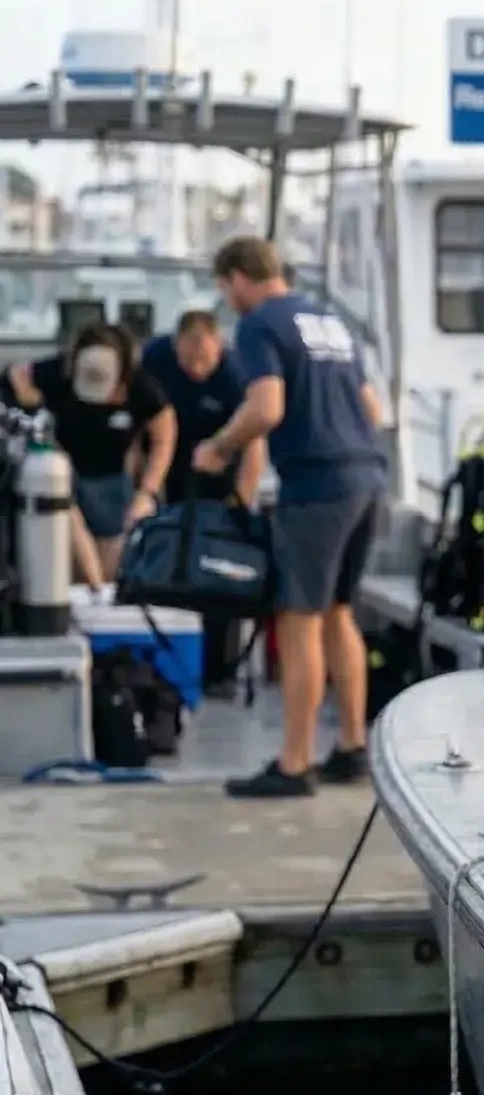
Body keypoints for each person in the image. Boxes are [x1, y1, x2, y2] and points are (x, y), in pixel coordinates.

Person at [195, 236, 388, 798]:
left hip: (318, 485)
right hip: (367, 477)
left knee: (297, 618)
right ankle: (352, 747)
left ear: (237, 278)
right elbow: (372, 408)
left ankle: (294, 763)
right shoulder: (329, 320)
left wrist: (218, 449)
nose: (228, 300)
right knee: (339, 613)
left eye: (224, 289)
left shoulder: (259, 325)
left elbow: (266, 408)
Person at [139, 309, 267, 694]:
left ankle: (219, 671)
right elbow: (140, 422)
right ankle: (165, 665)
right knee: (166, 572)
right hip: (169, 476)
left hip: (220, 484)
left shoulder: (235, 374)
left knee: (219, 577)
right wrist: (144, 488)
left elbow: (254, 444)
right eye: (188, 360)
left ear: (218, 348)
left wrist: (240, 505)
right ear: (175, 347)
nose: (196, 368)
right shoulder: (157, 359)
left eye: (204, 360)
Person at [7, 322, 175, 581]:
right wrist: (28, 399)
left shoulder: (140, 387)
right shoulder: (54, 372)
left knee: (111, 563)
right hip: (60, 474)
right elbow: (16, 376)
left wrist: (147, 492)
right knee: (65, 554)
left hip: (110, 480)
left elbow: (164, 434)